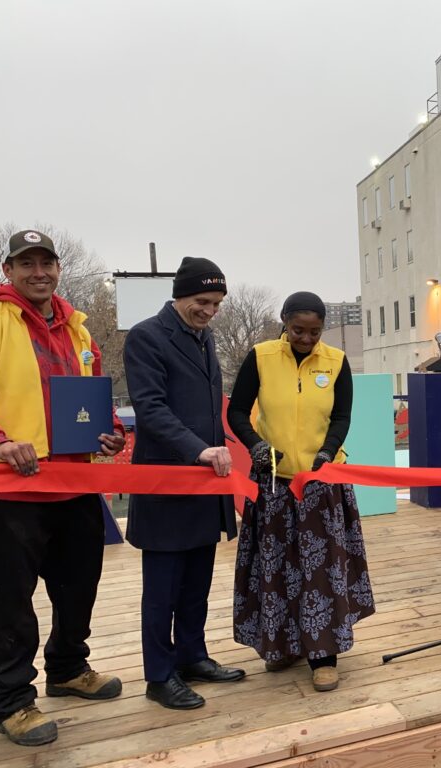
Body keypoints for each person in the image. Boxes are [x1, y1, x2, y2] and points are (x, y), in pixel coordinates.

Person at [0, 230, 125, 746]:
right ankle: (10, 700)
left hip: (77, 483)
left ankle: (68, 668)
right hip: (13, 490)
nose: (38, 271)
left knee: (79, 590)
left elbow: (94, 397)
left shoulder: (80, 331)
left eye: (46, 262)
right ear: (9, 270)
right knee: (11, 602)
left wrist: (110, 430)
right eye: (27, 263)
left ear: (58, 268)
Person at [228, 291, 374, 693]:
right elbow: (236, 411)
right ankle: (284, 644)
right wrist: (256, 446)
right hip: (273, 482)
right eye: (298, 330)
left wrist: (327, 452)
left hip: (321, 482)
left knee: (321, 569)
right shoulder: (260, 357)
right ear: (284, 322)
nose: (306, 338)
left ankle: (323, 655)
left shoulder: (337, 362)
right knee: (277, 566)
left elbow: (342, 414)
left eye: (315, 331)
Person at [123, 257, 243, 711]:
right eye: (202, 302)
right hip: (167, 484)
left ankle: (192, 655)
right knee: (162, 589)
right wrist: (199, 449)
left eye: (216, 304)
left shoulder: (205, 337)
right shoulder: (147, 337)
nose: (210, 311)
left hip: (205, 486)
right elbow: (151, 409)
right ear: (179, 296)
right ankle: (159, 675)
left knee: (197, 582)